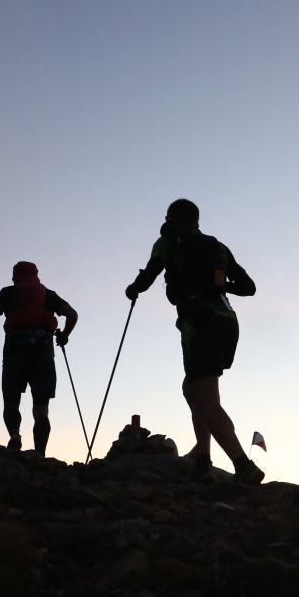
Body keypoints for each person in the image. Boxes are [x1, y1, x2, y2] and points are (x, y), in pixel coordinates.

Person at [125, 198, 264, 485]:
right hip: (227, 321)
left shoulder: (167, 241)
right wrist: (218, 285)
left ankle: (242, 464)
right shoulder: (218, 247)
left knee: (206, 397)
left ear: (170, 218)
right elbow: (249, 288)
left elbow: (149, 275)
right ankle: (203, 462)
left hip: (199, 322)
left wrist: (132, 289)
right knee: (195, 389)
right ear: (197, 221)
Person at [0, 261, 78, 456]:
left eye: (14, 274)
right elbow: (72, 314)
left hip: (15, 349)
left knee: (11, 400)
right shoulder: (50, 295)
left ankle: (14, 434)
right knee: (41, 407)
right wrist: (64, 335)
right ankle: (40, 453)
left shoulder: (7, 292)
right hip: (43, 351)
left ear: (18, 275)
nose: (12, 278)